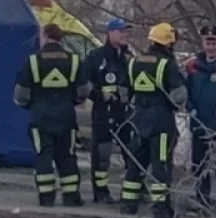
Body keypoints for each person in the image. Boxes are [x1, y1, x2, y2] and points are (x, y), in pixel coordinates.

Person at [13, 24, 91, 206]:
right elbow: (84, 90)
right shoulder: (74, 61)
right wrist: (72, 101)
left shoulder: (33, 61)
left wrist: (30, 105)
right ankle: (71, 196)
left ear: (46, 36)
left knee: (43, 155)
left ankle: (46, 197)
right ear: (60, 38)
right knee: (67, 155)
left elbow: (20, 94)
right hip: (66, 118)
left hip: (40, 118)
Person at [120, 22, 187, 218]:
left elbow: (124, 92)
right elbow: (179, 96)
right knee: (161, 164)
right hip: (161, 121)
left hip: (138, 119)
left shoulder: (133, 62)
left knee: (135, 163)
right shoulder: (168, 65)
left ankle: (128, 204)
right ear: (169, 43)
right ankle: (160, 208)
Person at [85, 18, 133, 204]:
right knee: (102, 154)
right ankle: (101, 192)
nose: (124, 35)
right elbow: (83, 84)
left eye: (126, 32)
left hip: (125, 113)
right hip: (103, 112)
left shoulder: (128, 57)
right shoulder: (96, 57)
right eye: (121, 31)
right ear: (110, 33)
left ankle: (131, 193)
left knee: (130, 152)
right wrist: (99, 96)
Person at [185, 24, 216, 208]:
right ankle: (202, 198)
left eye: (215, 42)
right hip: (198, 121)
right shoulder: (193, 65)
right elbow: (184, 91)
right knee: (199, 163)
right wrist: (190, 108)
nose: (211, 46)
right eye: (208, 42)